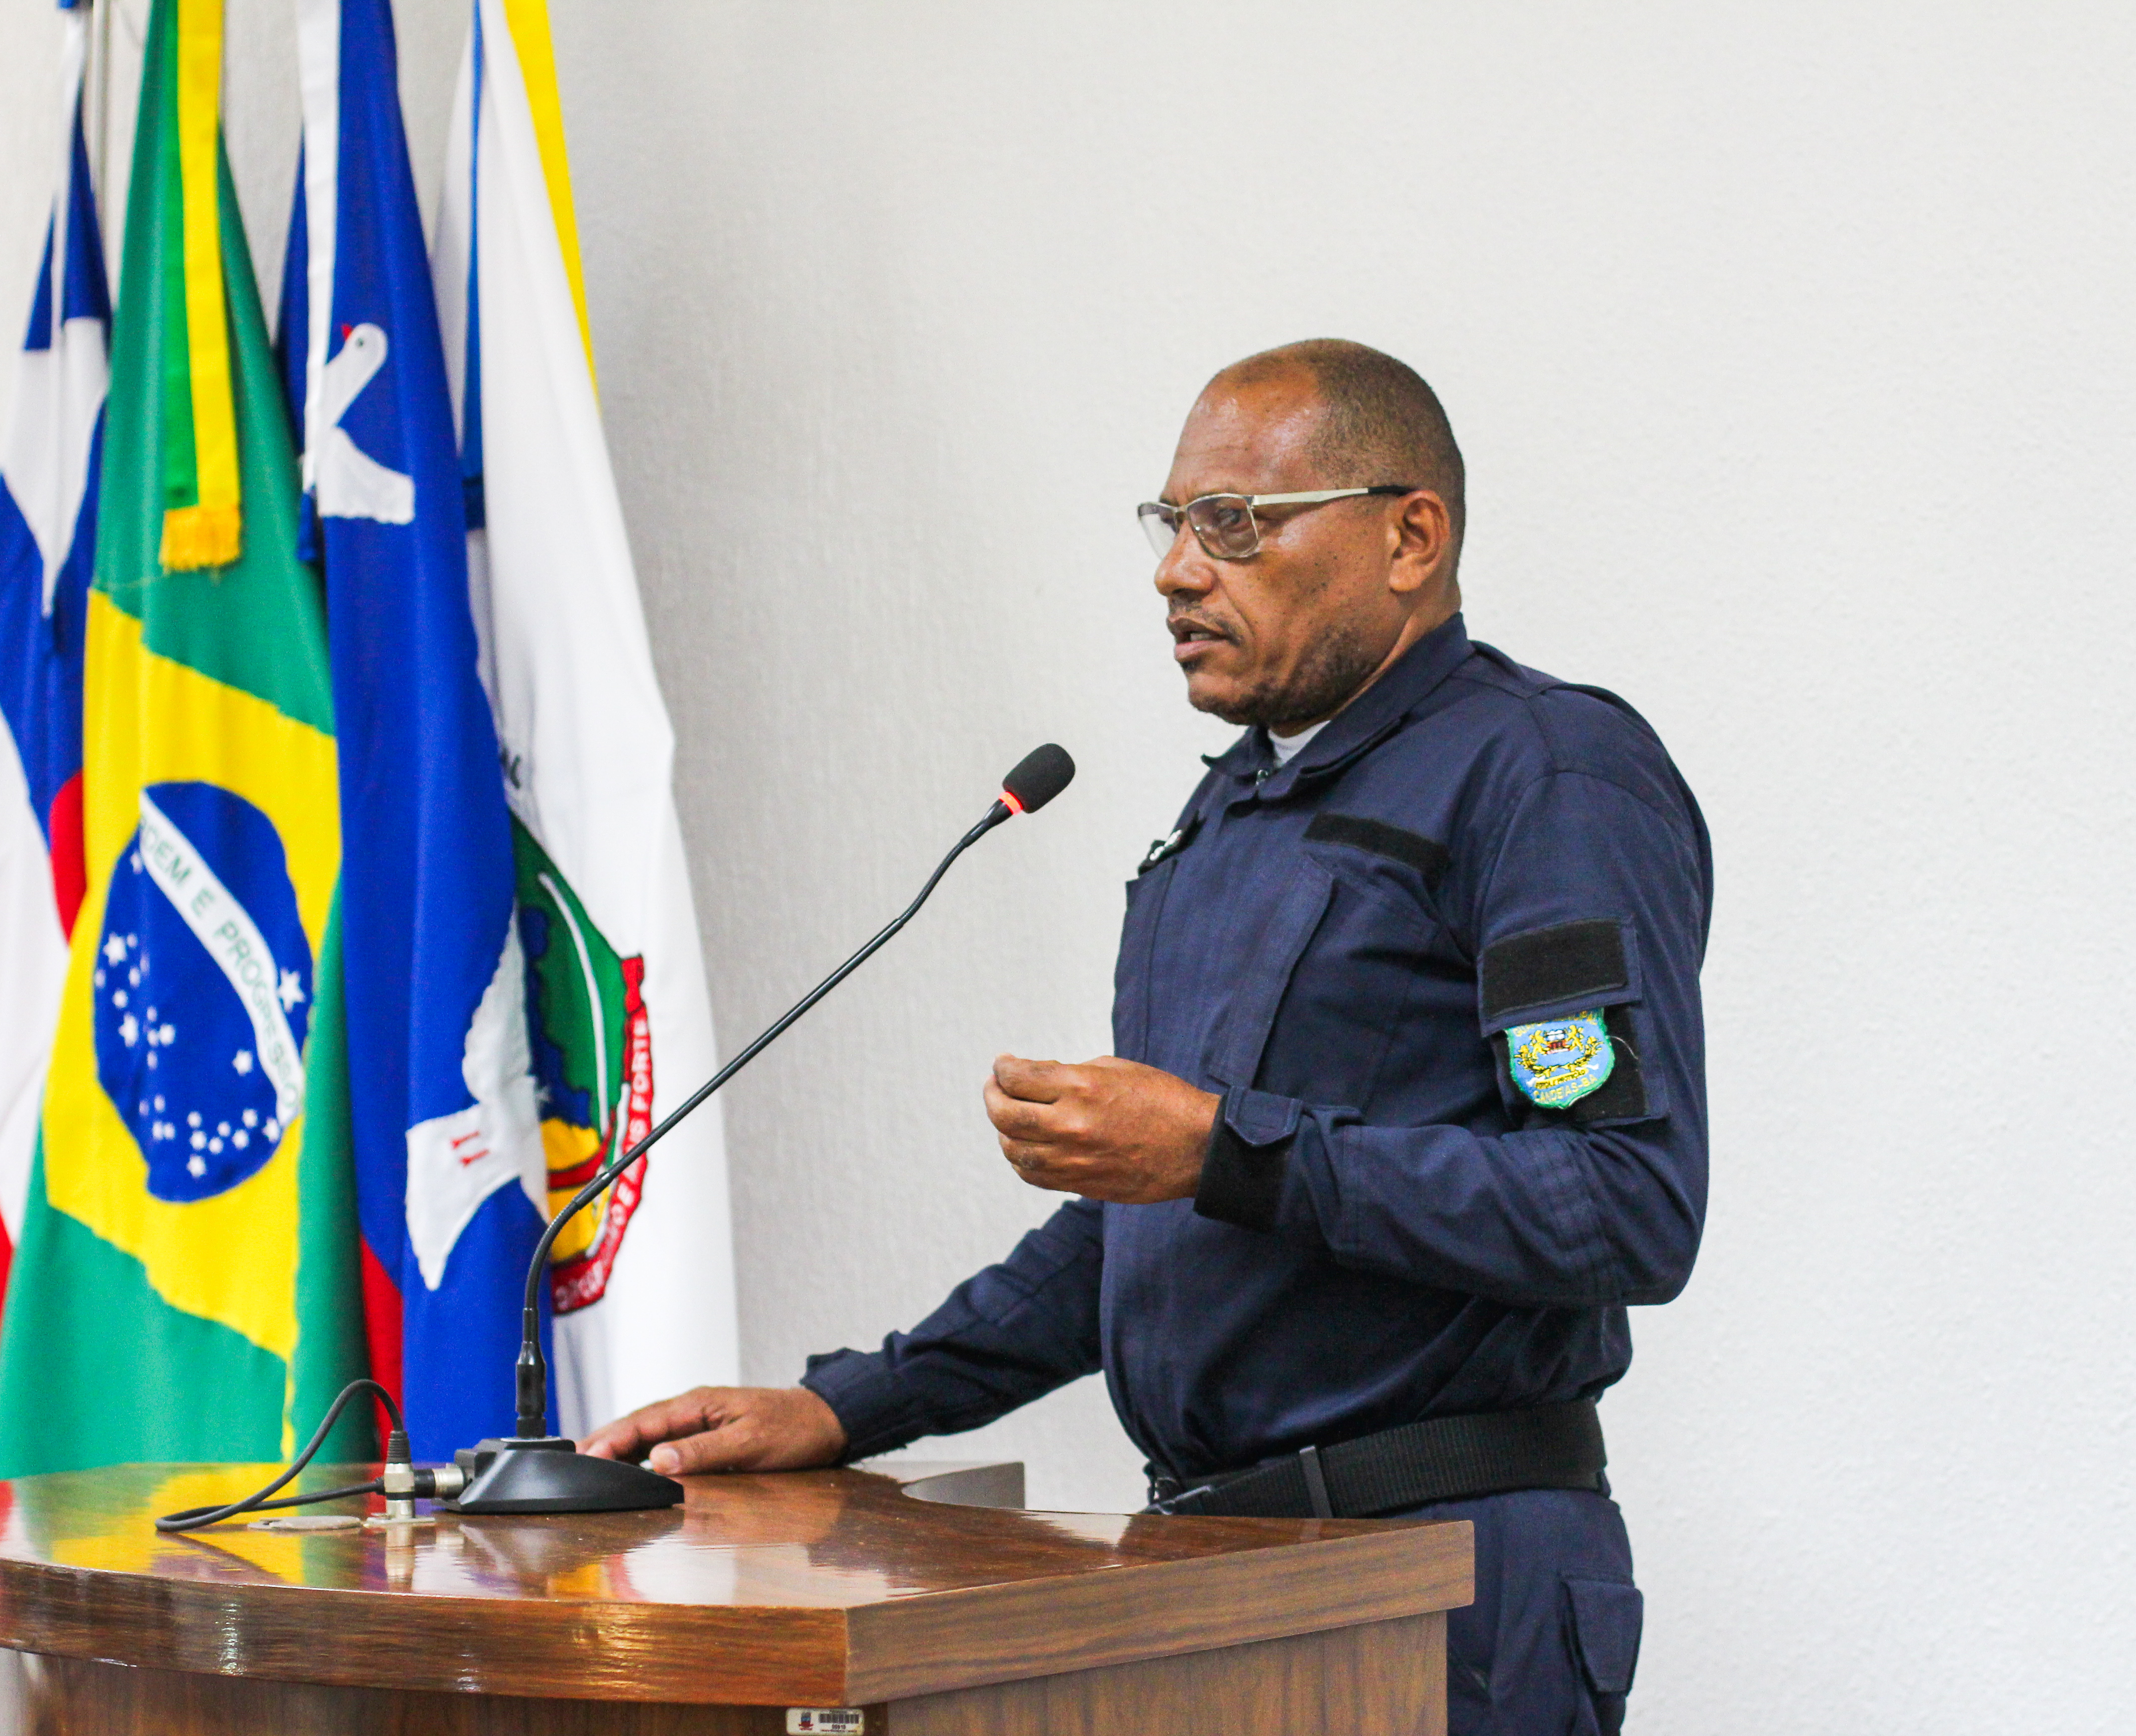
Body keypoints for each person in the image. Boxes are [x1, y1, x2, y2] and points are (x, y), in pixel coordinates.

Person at [583, 339, 1712, 1734]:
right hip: (1205, 1582)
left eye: (1234, 524)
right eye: (1171, 524)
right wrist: (854, 1407)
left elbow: (1624, 1209)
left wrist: (1221, 1151)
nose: (1179, 570)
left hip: (1437, 1584)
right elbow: (1159, 1230)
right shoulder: (1224, 823)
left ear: (1410, 534)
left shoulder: (1541, 776)